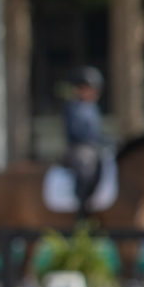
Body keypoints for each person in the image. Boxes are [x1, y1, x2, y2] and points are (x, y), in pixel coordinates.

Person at [62, 66, 107, 204]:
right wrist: (96, 140)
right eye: (83, 88)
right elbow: (77, 132)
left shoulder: (93, 108)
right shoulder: (73, 107)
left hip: (94, 146)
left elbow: (97, 131)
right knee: (85, 167)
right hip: (79, 147)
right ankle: (81, 208)